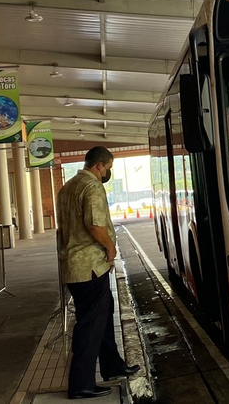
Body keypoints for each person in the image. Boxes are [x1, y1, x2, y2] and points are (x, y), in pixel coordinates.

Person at [57, 146, 139, 399]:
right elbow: (95, 225)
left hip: (75, 267)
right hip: (90, 266)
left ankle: (113, 366)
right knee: (91, 325)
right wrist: (110, 247)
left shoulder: (67, 187)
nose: (108, 173)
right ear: (100, 166)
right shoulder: (92, 187)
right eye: (109, 168)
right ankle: (81, 384)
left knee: (102, 317)